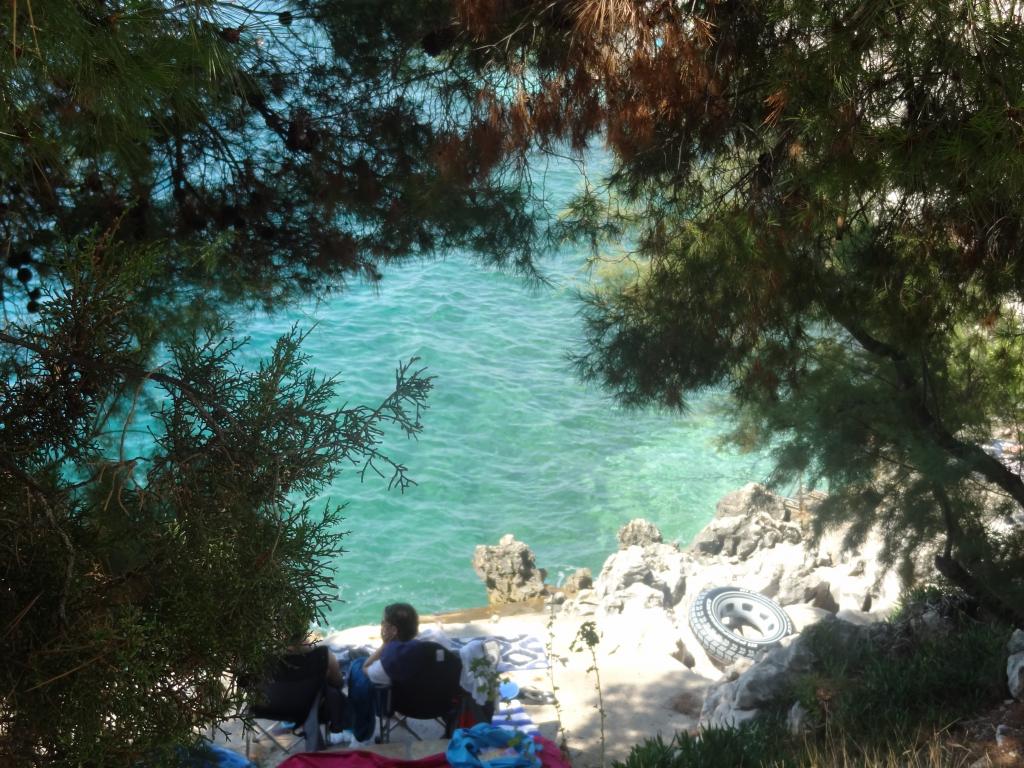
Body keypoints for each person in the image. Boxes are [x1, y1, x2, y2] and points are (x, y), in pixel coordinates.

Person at [347, 602, 422, 743]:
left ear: (393, 630)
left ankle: (361, 733)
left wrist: (385, 644)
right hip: (424, 701)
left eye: (383, 623)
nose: (381, 625)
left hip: (393, 704)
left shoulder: (386, 665)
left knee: (358, 665)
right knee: (360, 656)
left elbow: (366, 667)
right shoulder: (429, 646)